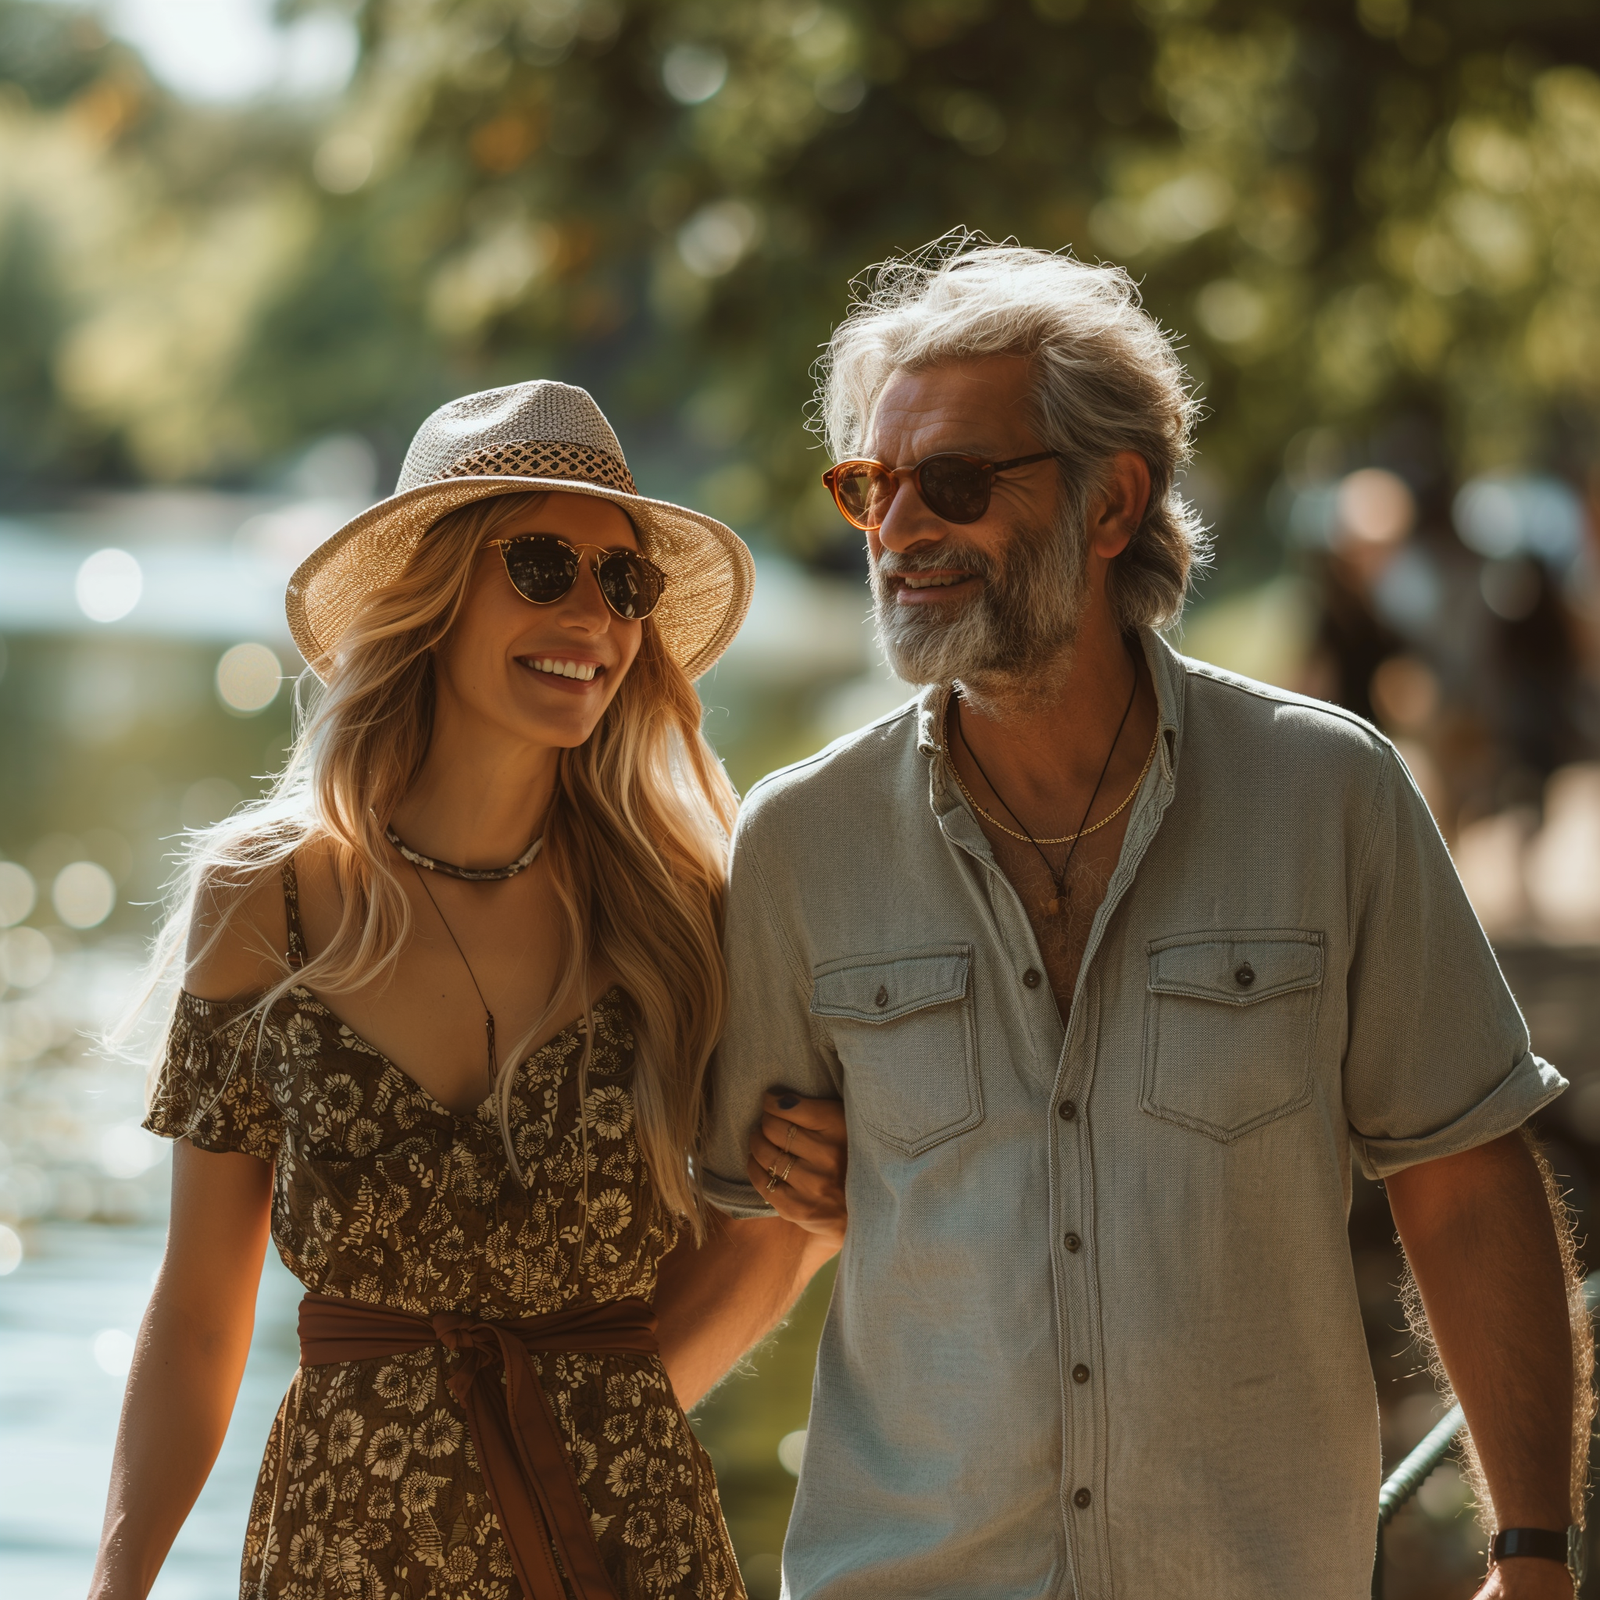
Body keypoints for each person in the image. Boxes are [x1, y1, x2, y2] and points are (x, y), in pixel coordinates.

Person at [700, 240, 1592, 1600]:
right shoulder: (797, 841)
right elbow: (756, 1231)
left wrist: (1530, 1551)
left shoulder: (1329, 794)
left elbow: (1466, 1180)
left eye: (953, 483)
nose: (898, 531)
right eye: (873, 487)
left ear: (1112, 501)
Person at [88, 381, 847, 1600]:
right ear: (431, 594)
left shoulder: (684, 912)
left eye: (623, 582)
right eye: (541, 567)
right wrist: (116, 1583)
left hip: (620, 1545)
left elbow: (776, 1230)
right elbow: (198, 1314)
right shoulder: (267, 902)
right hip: (343, 1554)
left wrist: (819, 1201)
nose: (591, 615)